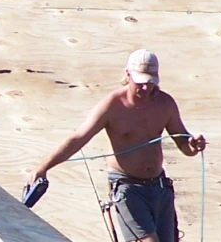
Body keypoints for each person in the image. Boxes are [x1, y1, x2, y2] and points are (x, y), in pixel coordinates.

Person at [28, 49, 206, 242]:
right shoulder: (113, 105)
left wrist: (193, 145)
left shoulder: (165, 104)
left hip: (159, 187)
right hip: (128, 188)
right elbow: (78, 138)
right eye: (140, 82)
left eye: (150, 82)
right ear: (128, 75)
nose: (146, 88)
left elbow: (184, 143)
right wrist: (43, 168)